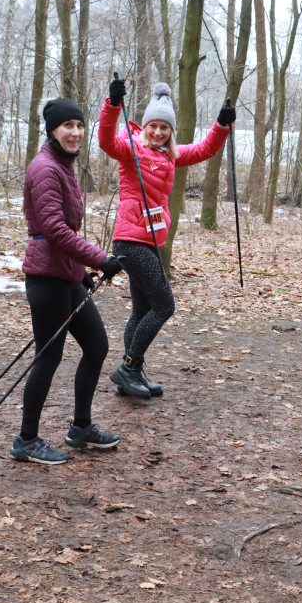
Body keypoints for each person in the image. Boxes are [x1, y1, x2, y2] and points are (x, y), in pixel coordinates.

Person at [99, 78, 235, 398]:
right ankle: (128, 368)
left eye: (165, 127)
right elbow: (105, 140)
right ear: (145, 126)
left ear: (171, 131)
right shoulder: (129, 146)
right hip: (130, 241)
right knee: (164, 306)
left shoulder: (170, 156)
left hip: (149, 240)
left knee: (141, 310)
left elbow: (205, 149)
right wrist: (113, 105)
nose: (158, 132)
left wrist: (221, 124)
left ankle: (131, 376)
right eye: (153, 126)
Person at [12, 97, 125, 465]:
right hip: (46, 279)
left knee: (96, 346)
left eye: (79, 125)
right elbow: (56, 231)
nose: (75, 132)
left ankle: (81, 427)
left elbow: (64, 232)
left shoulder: (63, 165)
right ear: (52, 131)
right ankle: (26, 440)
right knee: (48, 357)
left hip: (65, 275)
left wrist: (82, 271)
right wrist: (100, 259)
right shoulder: (45, 168)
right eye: (68, 126)